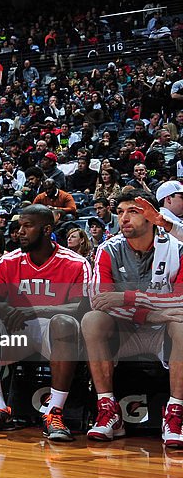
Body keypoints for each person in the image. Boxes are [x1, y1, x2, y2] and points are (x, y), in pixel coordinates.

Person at [0, 205, 89, 442]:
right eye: (19, 226)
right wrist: (5, 308)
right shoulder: (8, 261)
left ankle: (55, 412)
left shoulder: (75, 262)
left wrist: (35, 310)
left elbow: (81, 307)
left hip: (55, 334)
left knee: (63, 322)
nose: (19, 232)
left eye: (27, 226)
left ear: (46, 230)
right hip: (17, 330)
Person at [83, 189, 183, 447]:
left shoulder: (176, 248)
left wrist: (127, 297)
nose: (123, 218)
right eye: (120, 212)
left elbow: (181, 302)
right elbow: (99, 299)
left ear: (151, 217)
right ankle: (109, 411)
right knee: (92, 319)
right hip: (126, 330)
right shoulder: (108, 249)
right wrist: (152, 311)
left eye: (133, 212)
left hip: (165, 332)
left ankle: (175, 415)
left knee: (182, 324)